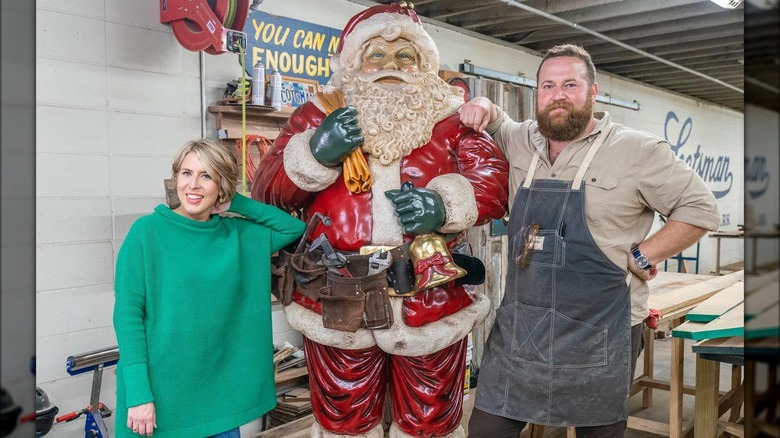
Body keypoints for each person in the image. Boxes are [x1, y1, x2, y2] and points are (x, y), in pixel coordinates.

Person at [251, 3, 509, 437]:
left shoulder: (449, 117)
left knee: (430, 419)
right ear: (354, 61)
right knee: (344, 419)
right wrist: (316, 152)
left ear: (424, 63)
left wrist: (444, 206)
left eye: (405, 55)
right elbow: (267, 189)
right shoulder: (319, 114)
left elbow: (493, 181)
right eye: (377, 53)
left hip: (430, 295)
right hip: (337, 297)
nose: (391, 64)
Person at [459, 44, 720, 437]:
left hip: (600, 333)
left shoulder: (637, 150)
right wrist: (480, 102)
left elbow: (700, 209)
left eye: (570, 84)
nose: (557, 95)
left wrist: (644, 252)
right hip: (522, 331)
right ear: (537, 93)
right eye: (547, 86)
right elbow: (495, 119)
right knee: (485, 430)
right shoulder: (521, 141)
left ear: (593, 92)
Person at [113, 139, 305, 437]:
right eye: (186, 173)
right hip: (160, 398)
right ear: (176, 177)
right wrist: (138, 393)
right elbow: (127, 316)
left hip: (220, 401)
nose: (194, 185)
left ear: (221, 186)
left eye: (207, 176)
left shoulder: (238, 235)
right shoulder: (147, 232)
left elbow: (292, 228)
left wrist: (236, 203)